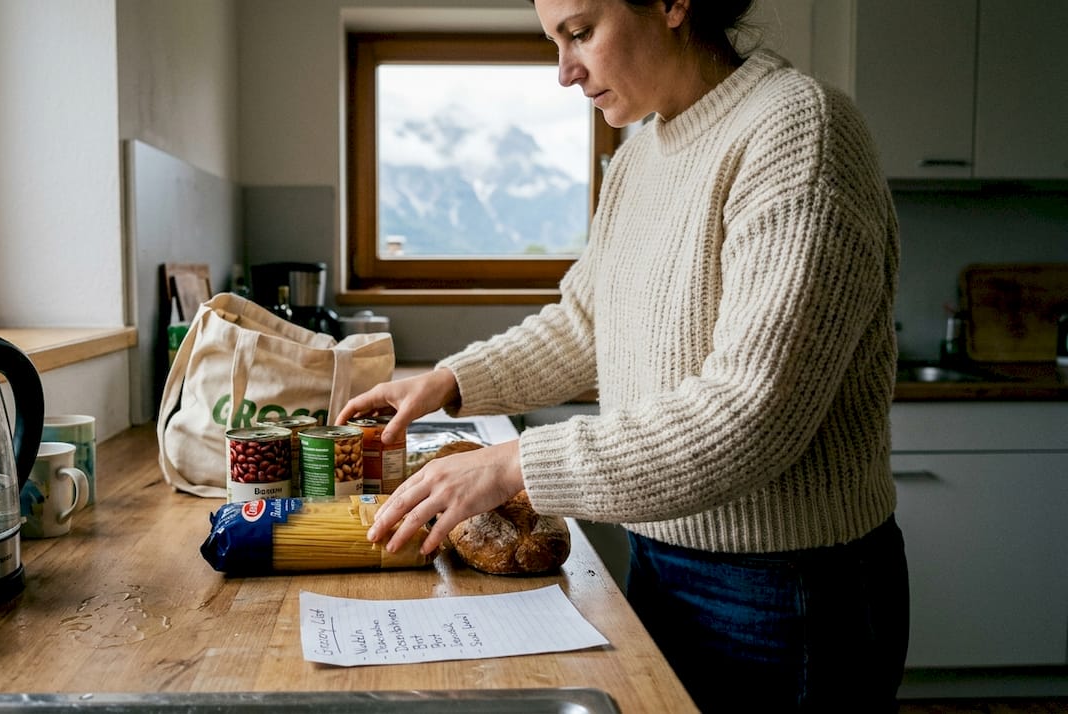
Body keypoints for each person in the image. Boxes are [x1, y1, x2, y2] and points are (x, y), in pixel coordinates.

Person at [336, 0, 908, 711]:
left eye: (580, 33)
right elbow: (585, 326)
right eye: (554, 41)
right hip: (663, 558)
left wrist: (514, 464)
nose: (564, 72)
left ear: (673, 4)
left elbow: (750, 415)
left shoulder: (799, 132)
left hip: (786, 587)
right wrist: (449, 382)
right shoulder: (640, 152)